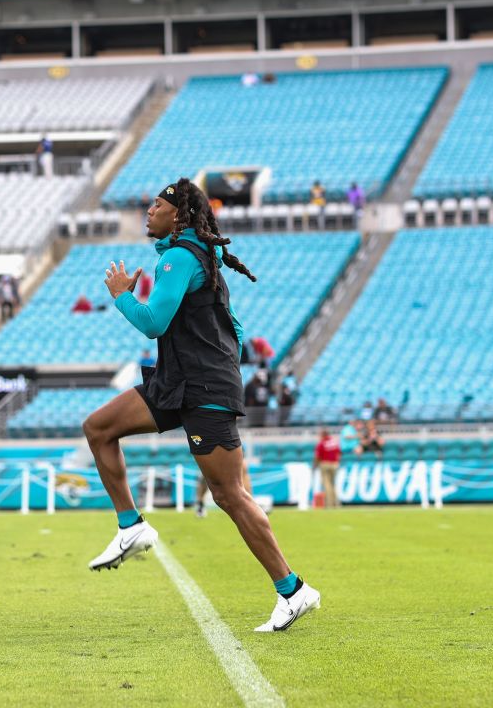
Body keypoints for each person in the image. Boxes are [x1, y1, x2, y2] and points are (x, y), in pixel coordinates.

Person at [82, 177, 320, 631]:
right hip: (179, 383)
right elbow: (223, 328)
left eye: (157, 204)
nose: (149, 210)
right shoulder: (194, 257)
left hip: (202, 389)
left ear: (179, 215)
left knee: (229, 495)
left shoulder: (178, 257)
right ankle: (131, 527)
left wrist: (120, 296)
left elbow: (153, 322)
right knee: (99, 428)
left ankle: (293, 590)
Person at [313, 429, 342, 509]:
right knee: (333, 484)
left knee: (327, 485)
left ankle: (329, 504)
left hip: (325, 464)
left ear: (323, 435)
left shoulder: (321, 444)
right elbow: (339, 453)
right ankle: (336, 504)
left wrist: (314, 466)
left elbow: (317, 457)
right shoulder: (334, 442)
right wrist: (337, 462)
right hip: (335, 464)